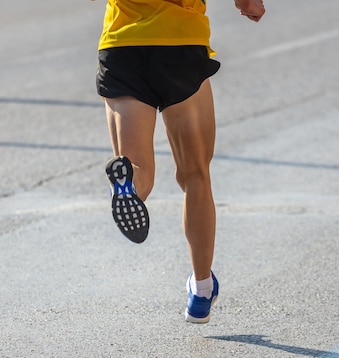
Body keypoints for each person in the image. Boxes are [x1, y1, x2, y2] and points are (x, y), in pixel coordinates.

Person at [95, 0, 265, 324]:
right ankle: (202, 289)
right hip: (179, 43)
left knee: (137, 167)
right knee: (195, 175)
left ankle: (128, 181)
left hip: (122, 46)